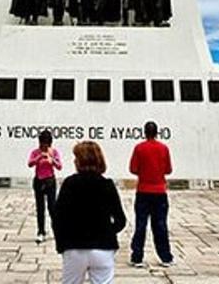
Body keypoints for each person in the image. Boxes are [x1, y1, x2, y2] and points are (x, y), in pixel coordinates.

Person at [52, 141, 127, 284]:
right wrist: (107, 232)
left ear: (80, 161)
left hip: (74, 246)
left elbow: (57, 218)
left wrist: (61, 244)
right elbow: (121, 221)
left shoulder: (69, 184)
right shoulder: (107, 185)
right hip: (103, 247)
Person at [128, 121, 173, 268]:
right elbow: (168, 170)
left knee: (141, 224)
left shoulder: (139, 148)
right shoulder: (163, 148)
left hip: (143, 191)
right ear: (157, 132)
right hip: (160, 191)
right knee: (160, 225)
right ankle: (165, 257)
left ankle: (137, 257)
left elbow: (133, 169)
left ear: (145, 132)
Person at [28, 129, 63, 243]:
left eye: (46, 144)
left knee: (52, 207)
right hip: (39, 180)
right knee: (40, 208)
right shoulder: (35, 152)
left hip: (50, 181)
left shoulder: (54, 152)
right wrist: (38, 158)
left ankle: (57, 231)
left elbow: (59, 166)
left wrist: (51, 159)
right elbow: (30, 163)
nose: (44, 146)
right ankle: (41, 231)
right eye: (42, 144)